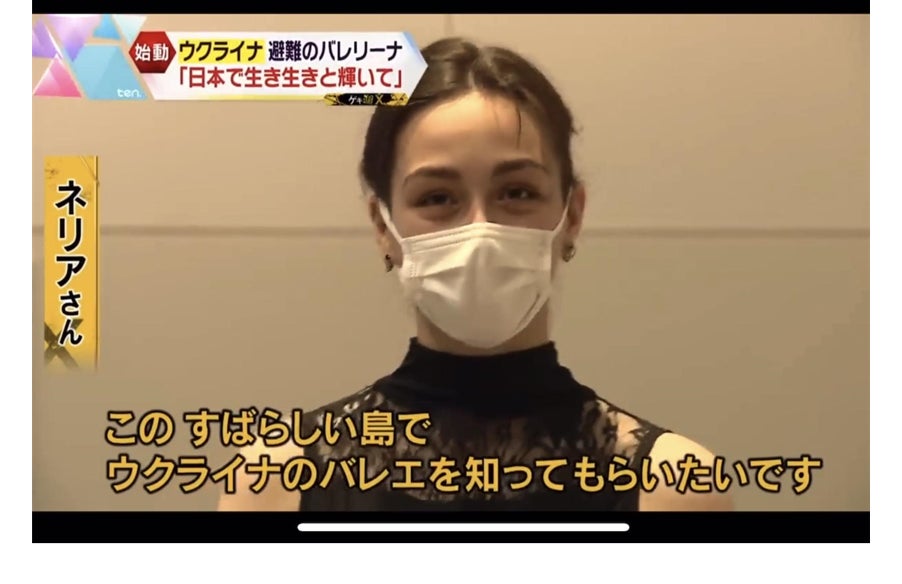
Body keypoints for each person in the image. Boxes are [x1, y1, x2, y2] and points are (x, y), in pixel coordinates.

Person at [219, 37, 733, 512]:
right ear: (383, 226)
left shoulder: (674, 485)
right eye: (437, 198)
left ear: (572, 214)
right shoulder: (276, 479)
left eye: (517, 193)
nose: (480, 230)